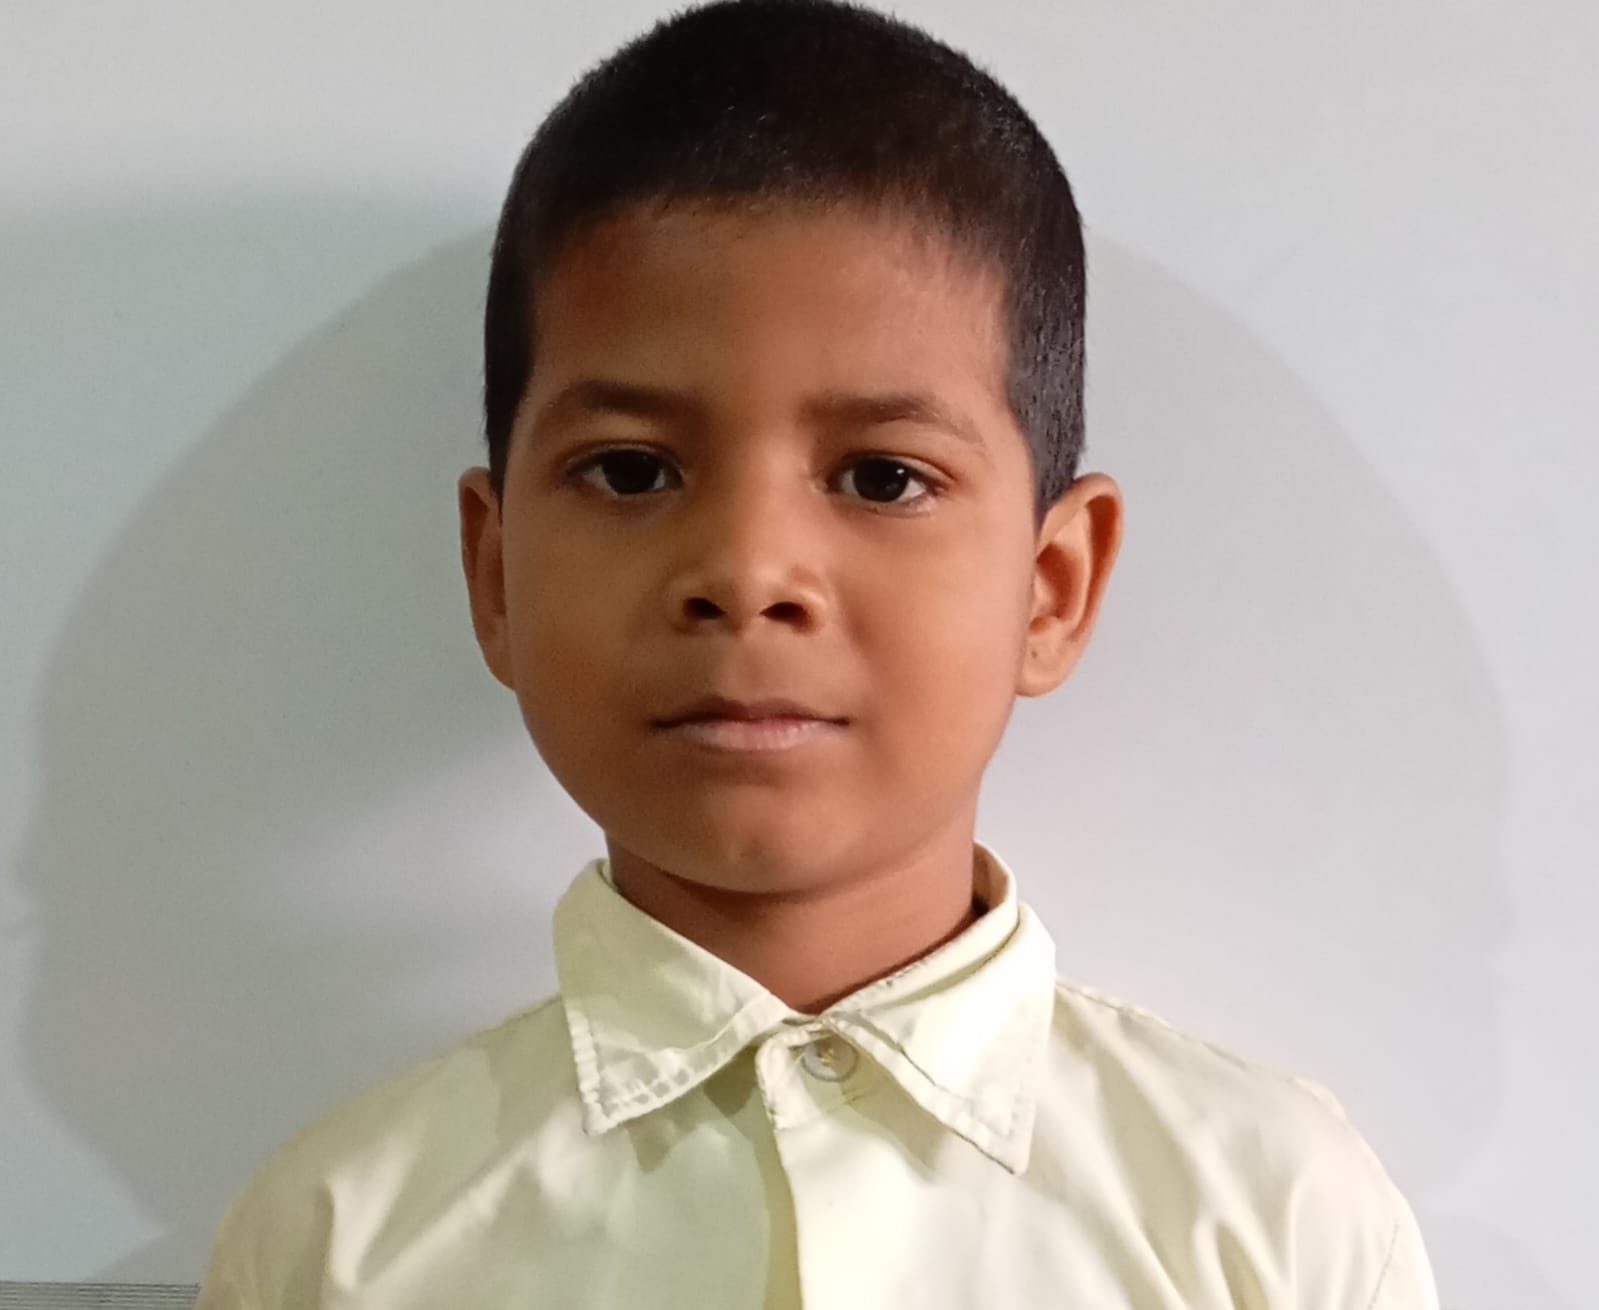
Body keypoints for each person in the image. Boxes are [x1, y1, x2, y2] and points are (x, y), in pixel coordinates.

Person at [194, 1, 1438, 1305]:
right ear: (496, 572)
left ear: (1051, 587)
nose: (748, 572)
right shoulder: (337, 1244)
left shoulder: (1269, 1222)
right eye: (631, 470)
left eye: (883, 477)